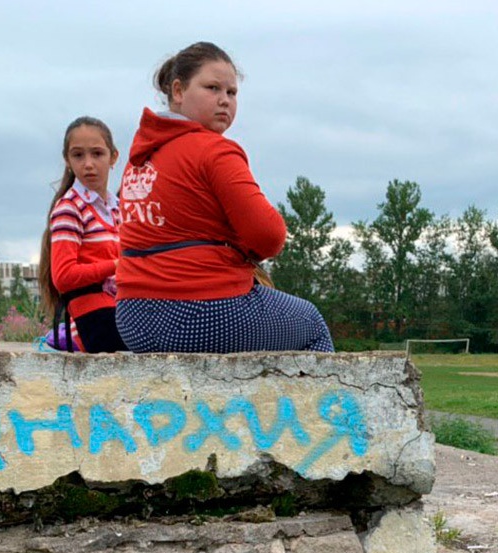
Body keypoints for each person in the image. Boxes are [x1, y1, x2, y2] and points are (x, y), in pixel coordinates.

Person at [115, 42, 334, 354]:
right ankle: (285, 406)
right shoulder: (215, 150)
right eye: (212, 88)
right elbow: (269, 236)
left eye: (231, 93)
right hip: (202, 311)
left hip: (132, 318)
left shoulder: (138, 160)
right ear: (178, 91)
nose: (224, 101)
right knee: (311, 324)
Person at [38, 116, 126, 352]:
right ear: (67, 160)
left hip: (121, 307)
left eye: (97, 154)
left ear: (113, 157)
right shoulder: (69, 208)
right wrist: (118, 264)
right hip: (94, 314)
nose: (88, 164)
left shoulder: (118, 209)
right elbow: (63, 276)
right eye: (78, 155)